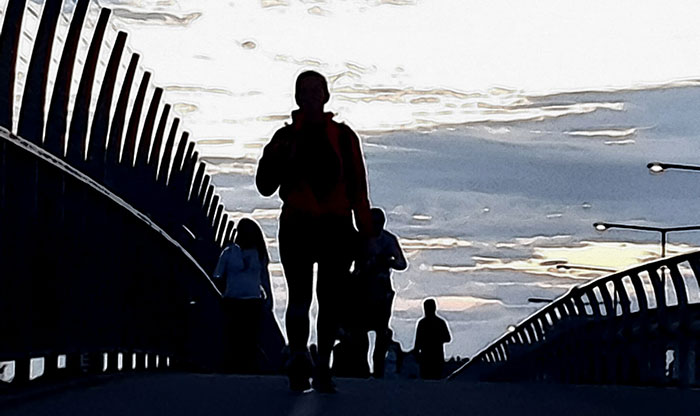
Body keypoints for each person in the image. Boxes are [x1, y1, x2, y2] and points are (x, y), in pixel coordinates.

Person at [255, 70, 372, 392]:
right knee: (308, 298)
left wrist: (365, 232)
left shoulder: (341, 138)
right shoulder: (287, 139)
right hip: (304, 224)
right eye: (304, 91)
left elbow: (358, 188)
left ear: (325, 96)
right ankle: (304, 361)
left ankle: (315, 364)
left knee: (322, 299)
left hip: (326, 226)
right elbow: (265, 184)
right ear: (298, 97)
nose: (309, 97)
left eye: (313, 90)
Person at [353, 207, 407, 378]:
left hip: (382, 289)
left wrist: (388, 260)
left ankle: (378, 368)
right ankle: (361, 366)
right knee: (360, 330)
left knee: (381, 330)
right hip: (361, 288)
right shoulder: (360, 239)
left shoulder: (389, 240)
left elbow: (402, 263)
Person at [213, 217, 272, 373]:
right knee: (236, 336)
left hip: (252, 301)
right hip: (234, 300)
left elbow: (264, 277)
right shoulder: (229, 252)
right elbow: (218, 276)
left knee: (249, 337)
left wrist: (269, 298)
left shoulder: (258, 254)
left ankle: (248, 366)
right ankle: (236, 365)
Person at [414, 298, 452, 380]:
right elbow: (447, 338)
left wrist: (416, 353)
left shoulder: (422, 323)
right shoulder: (440, 322)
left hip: (429, 357)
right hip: (433, 357)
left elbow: (417, 341)